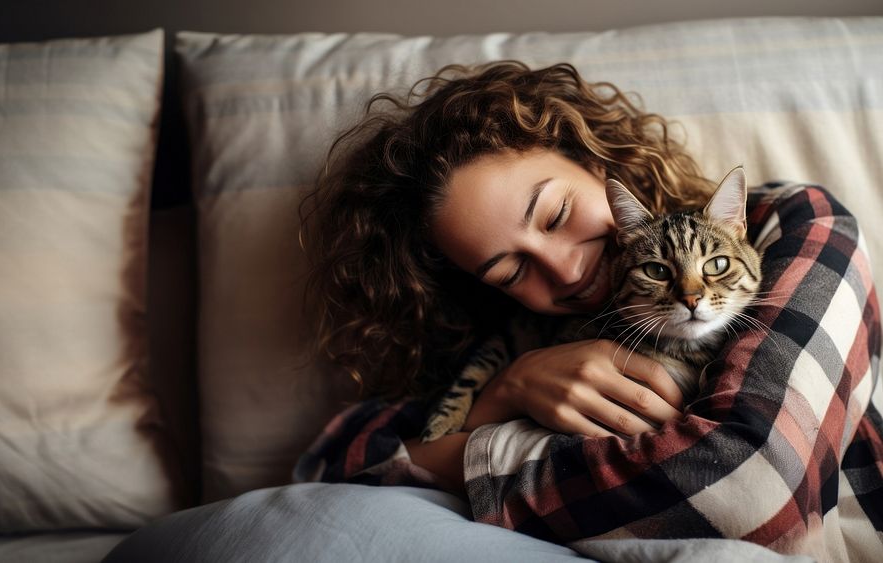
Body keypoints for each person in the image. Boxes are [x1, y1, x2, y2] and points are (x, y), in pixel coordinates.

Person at [294, 61, 883, 559]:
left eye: (554, 215)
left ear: (596, 160)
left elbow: (754, 497)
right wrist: (504, 391)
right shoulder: (526, 334)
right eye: (512, 270)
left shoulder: (798, 224)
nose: (569, 271)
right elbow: (327, 465)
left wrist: (468, 454)